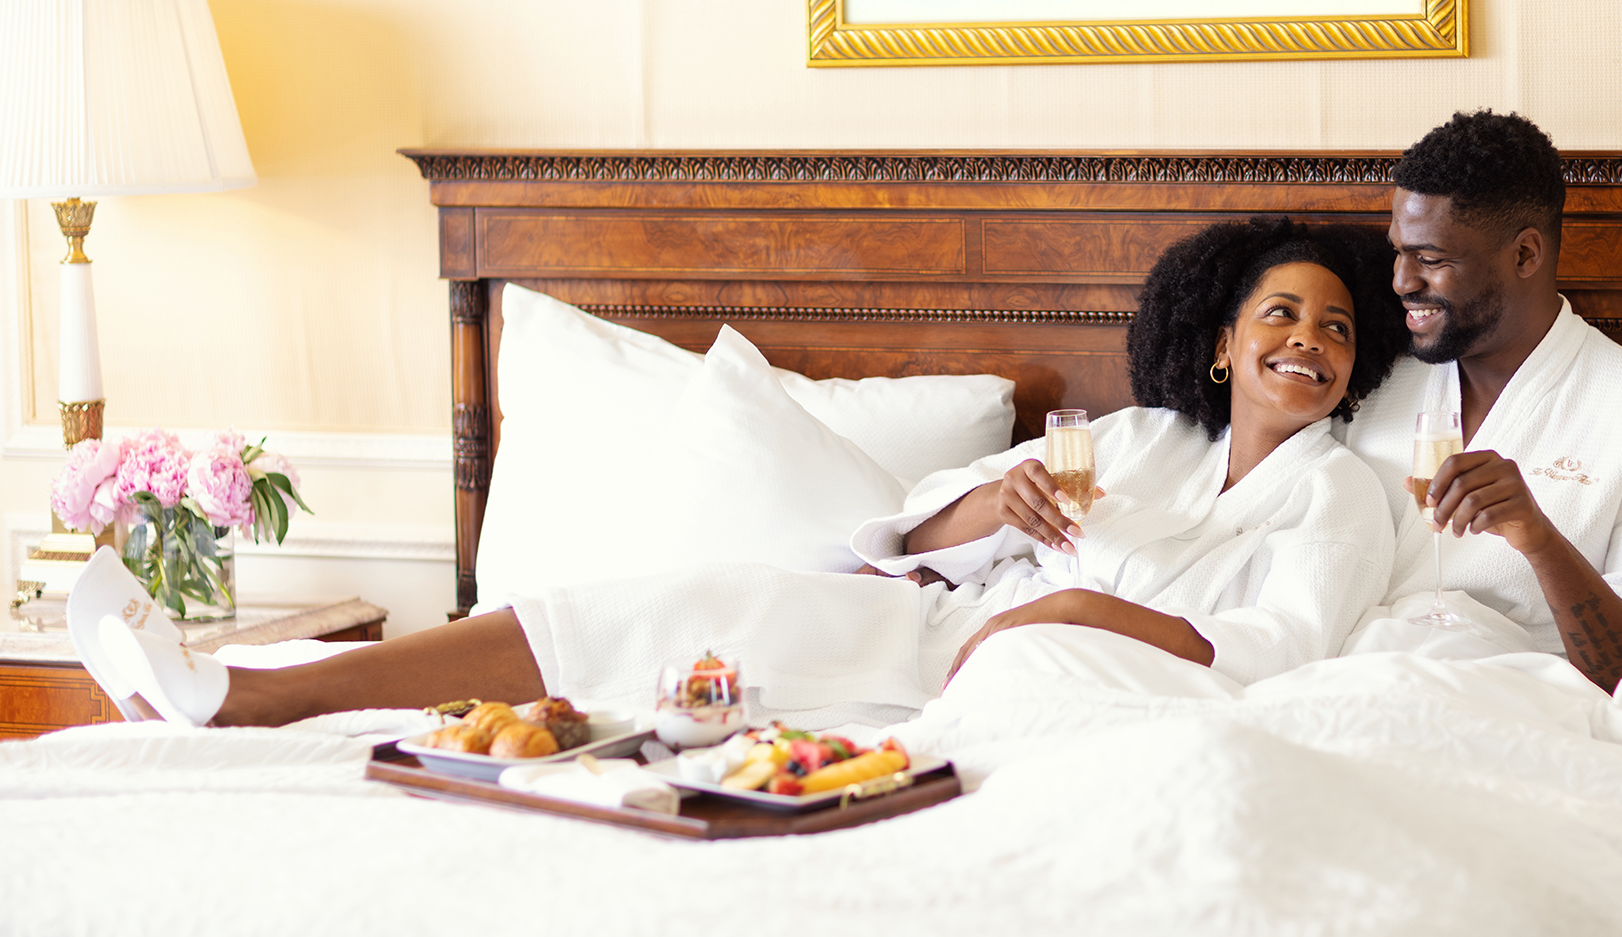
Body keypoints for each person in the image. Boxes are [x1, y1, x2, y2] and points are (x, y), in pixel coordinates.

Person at [75, 218, 1406, 728]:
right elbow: (906, 534)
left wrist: (1069, 609)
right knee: (667, 604)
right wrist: (990, 501)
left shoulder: (1339, 493)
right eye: (1281, 314)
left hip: (1069, 677)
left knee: (705, 656)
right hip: (932, 626)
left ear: (1354, 367)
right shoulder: (1130, 439)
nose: (1309, 339)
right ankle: (254, 690)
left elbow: (1277, 650)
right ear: (1222, 341)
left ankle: (253, 694)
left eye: (1337, 328)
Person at [1338, 110, 1622, 725]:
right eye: (1398, 251)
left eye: (1430, 258)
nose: (1400, 280)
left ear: (1525, 254)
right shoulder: (1370, 382)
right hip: (1345, 700)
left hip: (1519, 721)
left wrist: (1540, 540)